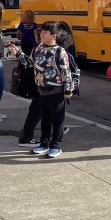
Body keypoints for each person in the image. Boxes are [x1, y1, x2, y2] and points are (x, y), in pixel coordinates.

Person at [28, 22, 74, 159]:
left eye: (44, 33)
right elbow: (29, 63)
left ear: (53, 35)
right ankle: (44, 144)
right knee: (45, 119)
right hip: (42, 89)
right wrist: (18, 54)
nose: (41, 34)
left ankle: (55, 146)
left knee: (57, 120)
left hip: (56, 90)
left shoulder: (60, 51)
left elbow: (66, 72)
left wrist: (68, 89)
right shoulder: (38, 48)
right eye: (41, 32)